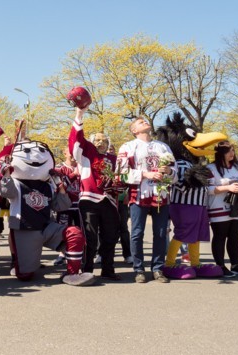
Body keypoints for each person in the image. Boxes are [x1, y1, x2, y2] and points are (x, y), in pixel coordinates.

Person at [117, 117, 174, 283]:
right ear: (134, 130)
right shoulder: (128, 147)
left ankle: (157, 268)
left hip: (161, 195)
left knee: (161, 233)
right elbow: (120, 172)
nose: (144, 122)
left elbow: (175, 172)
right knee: (137, 233)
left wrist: (169, 171)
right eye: (140, 122)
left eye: (145, 121)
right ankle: (139, 269)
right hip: (138, 196)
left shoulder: (163, 146)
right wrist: (145, 174)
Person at [70, 107, 122, 281]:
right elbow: (76, 140)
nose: (101, 143)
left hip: (109, 201)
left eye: (104, 140)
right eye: (97, 140)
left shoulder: (114, 160)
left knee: (110, 236)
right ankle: (87, 269)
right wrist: (79, 115)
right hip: (89, 199)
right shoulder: (86, 154)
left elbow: (123, 177)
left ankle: (108, 269)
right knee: (90, 237)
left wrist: (119, 185)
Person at [206, 141, 238, 277]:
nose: (232, 153)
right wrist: (228, 187)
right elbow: (207, 189)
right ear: (220, 153)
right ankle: (220, 266)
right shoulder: (211, 168)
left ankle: (235, 265)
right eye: (228, 151)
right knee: (220, 236)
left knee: (234, 236)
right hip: (218, 207)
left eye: (233, 150)